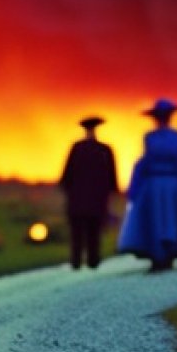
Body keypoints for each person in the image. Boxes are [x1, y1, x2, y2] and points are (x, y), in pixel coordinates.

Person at [117, 98, 177, 273]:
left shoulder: (152, 137)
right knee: (167, 218)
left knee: (156, 218)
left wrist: (134, 188)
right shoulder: (174, 136)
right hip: (170, 185)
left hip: (154, 185)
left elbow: (145, 164)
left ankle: (160, 256)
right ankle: (164, 256)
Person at [59, 116, 119, 270]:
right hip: (93, 200)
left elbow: (66, 176)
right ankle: (90, 260)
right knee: (90, 231)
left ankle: (79, 260)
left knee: (82, 231)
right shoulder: (104, 150)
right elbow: (112, 179)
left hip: (81, 199)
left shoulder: (79, 148)